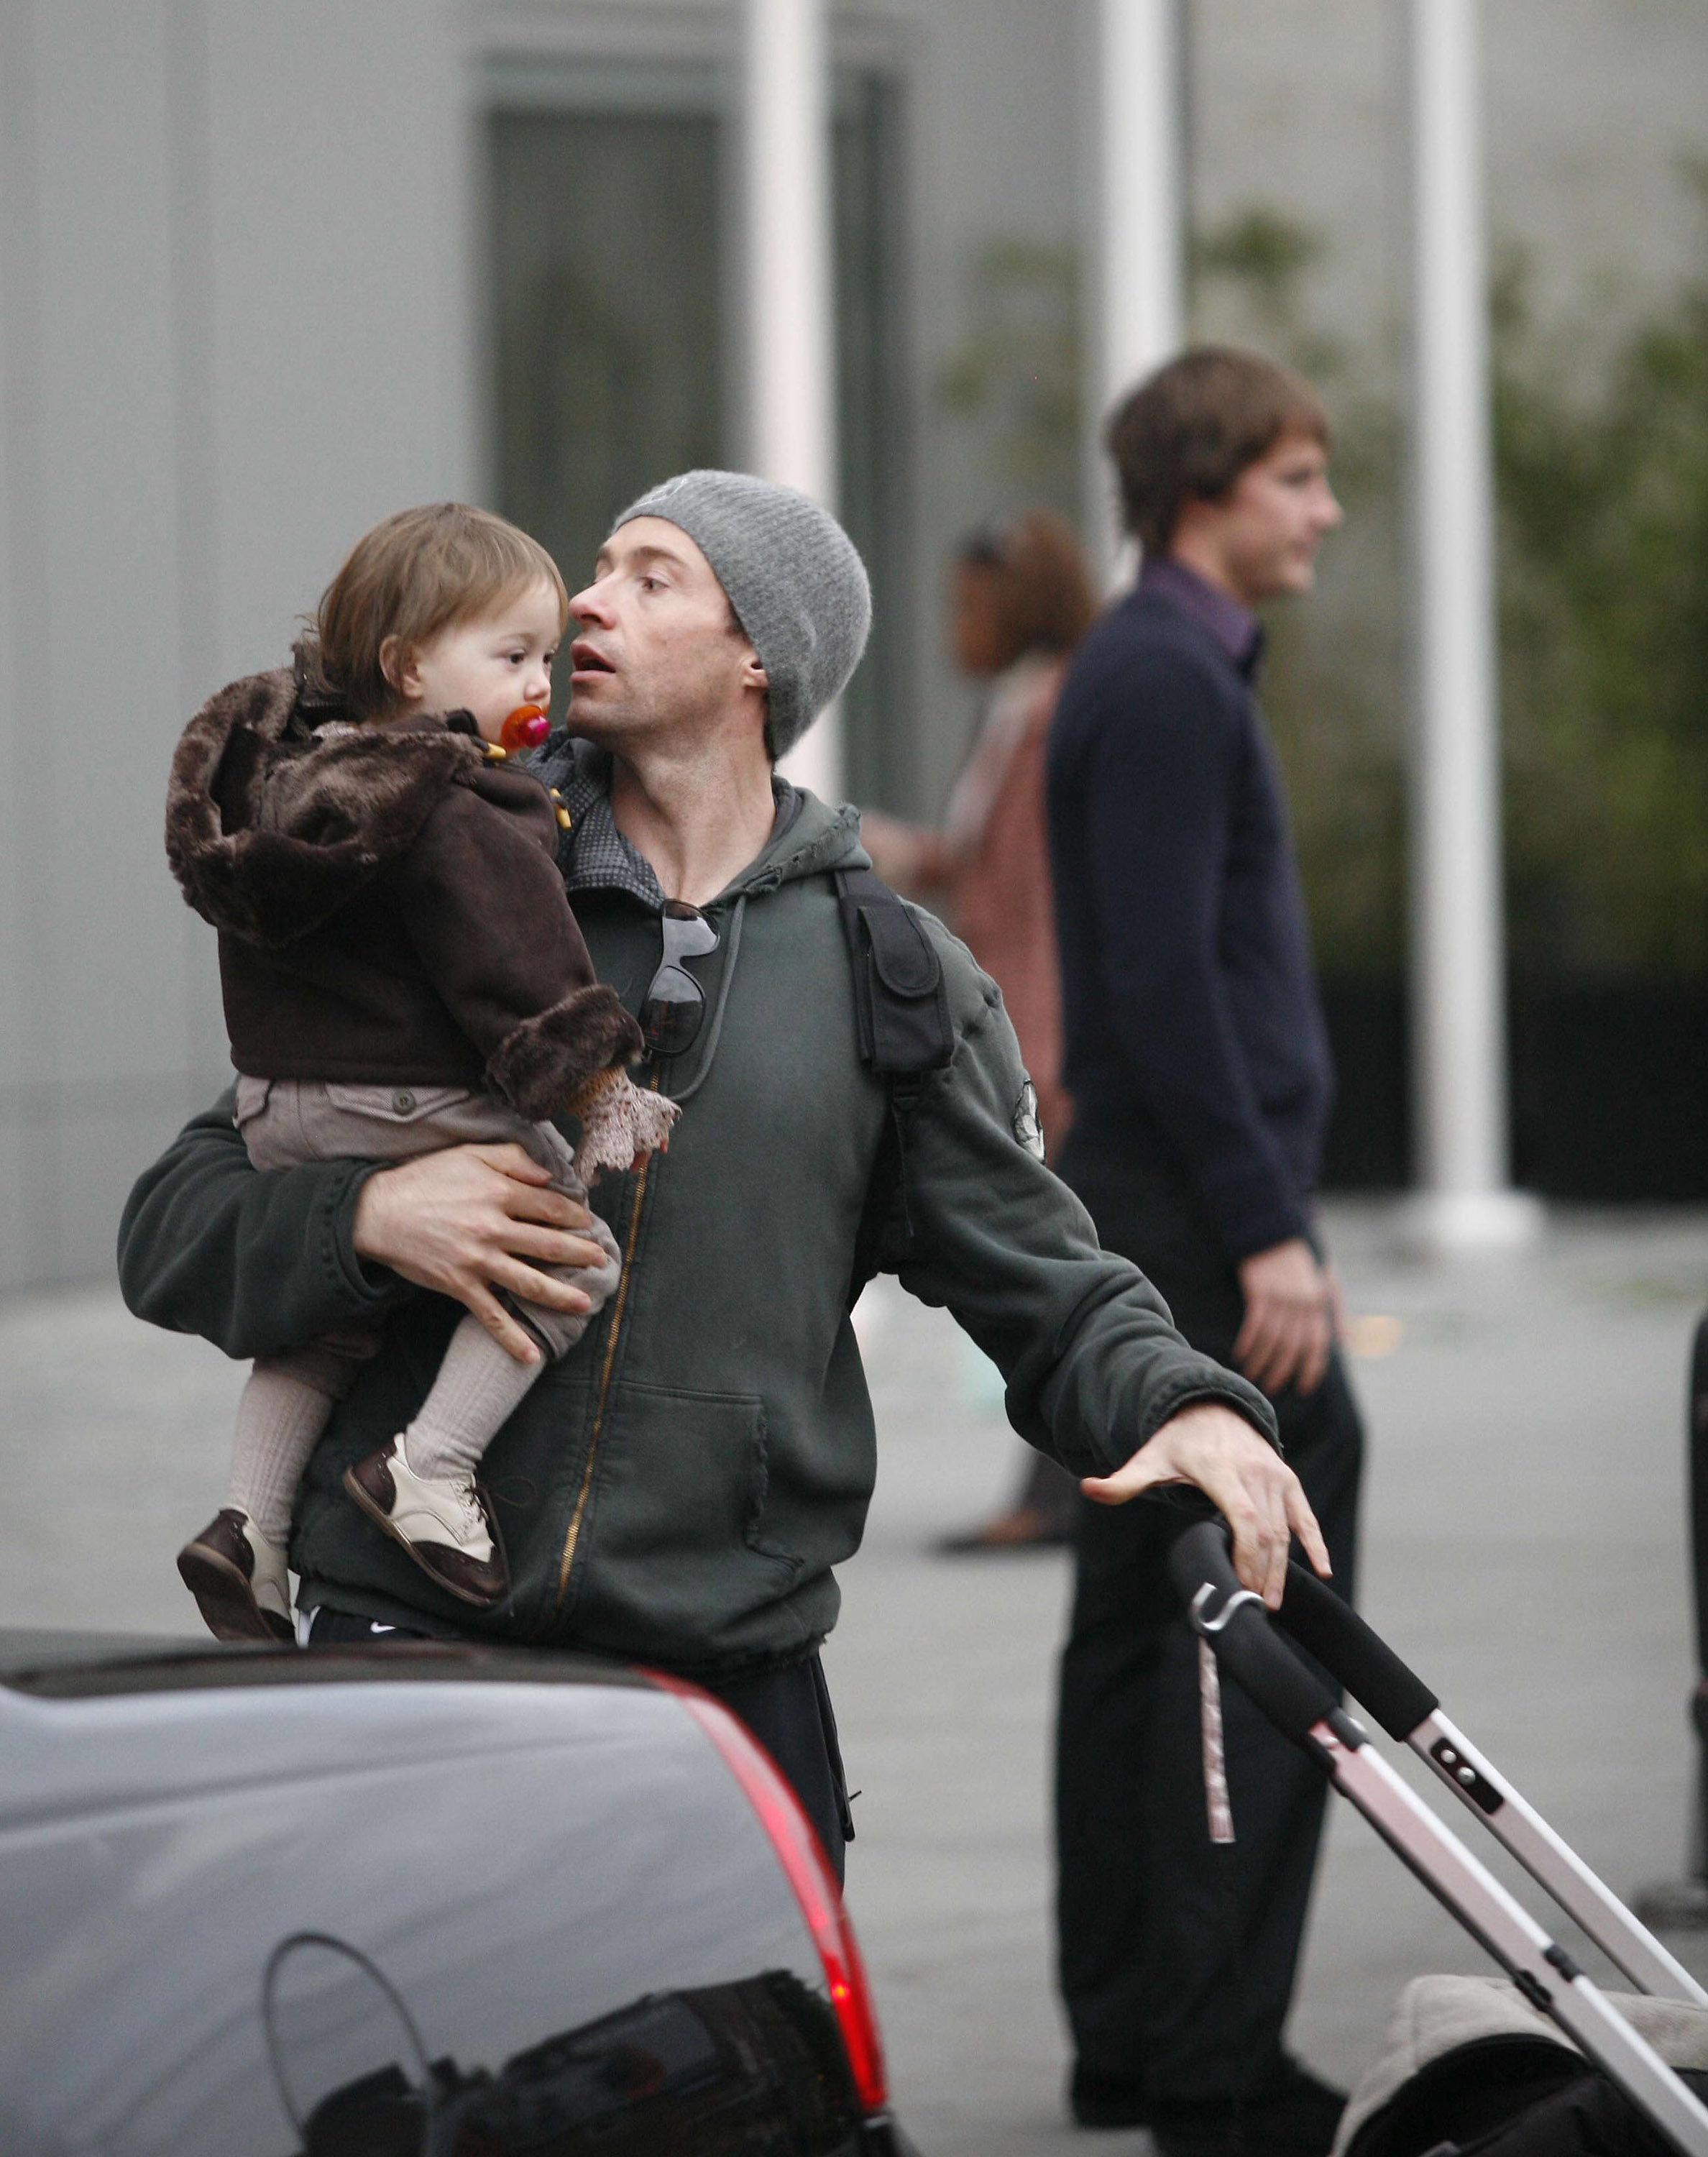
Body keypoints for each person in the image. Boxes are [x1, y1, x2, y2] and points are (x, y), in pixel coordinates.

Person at [120, 467, 1330, 1891]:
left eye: (651, 574)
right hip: (408, 1638)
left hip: (721, 1680)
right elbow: (172, 1226)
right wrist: (367, 1217)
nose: (584, 599)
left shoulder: (893, 975)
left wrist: (1187, 1402)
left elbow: (1052, 1285)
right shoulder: (445, 863)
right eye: (597, 562)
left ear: (761, 654)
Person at [167, 504, 674, 1642]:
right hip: (400, 1101)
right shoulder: (451, 800)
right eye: (513, 657)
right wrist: (600, 1090)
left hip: (278, 1108)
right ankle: (433, 1470)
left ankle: (248, 1527)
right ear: (408, 667)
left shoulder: (286, 783)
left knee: (327, 1333)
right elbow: (521, 972)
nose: (540, 681)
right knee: (569, 1256)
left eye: (541, 656)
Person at [1047, 350, 1366, 2153]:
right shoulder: (1165, 678)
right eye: (1300, 477)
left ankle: (1135, 2044)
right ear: (1206, 489)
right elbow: (1165, 989)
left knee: (1136, 1632)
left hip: (1154, 1226)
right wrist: (1274, 1232)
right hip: (1193, 1234)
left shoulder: (1155, 665)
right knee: (1259, 1615)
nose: (1323, 511)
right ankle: (1214, 2067)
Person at [863, 510, 1093, 1548]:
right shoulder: (1012, 711)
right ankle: (1059, 1491)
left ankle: (1059, 1495)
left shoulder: (1057, 718)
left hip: (1039, 1026)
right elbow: (985, 866)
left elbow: (1051, 900)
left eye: (971, 605)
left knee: (1054, 1251)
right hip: (1016, 1011)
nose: (956, 626)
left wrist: (1044, 1051)